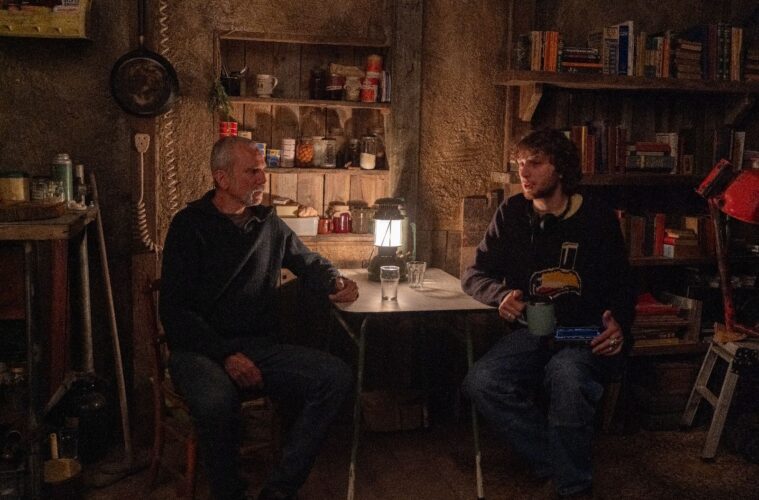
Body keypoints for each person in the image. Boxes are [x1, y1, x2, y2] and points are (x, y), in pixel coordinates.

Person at [160, 136, 359, 500]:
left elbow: (307, 260)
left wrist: (335, 280)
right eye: (252, 171)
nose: (262, 179)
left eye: (262, 171)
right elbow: (175, 312)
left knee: (335, 376)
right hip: (200, 351)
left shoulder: (268, 224)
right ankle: (229, 494)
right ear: (222, 178)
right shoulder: (189, 226)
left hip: (257, 348)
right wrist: (225, 355)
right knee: (217, 401)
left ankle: (279, 490)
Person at [461, 128, 636, 498]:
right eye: (520, 164)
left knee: (567, 376)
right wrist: (501, 295)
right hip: (533, 331)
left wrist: (619, 325)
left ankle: (573, 487)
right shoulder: (512, 213)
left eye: (535, 163)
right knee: (482, 381)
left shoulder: (597, 217)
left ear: (560, 168)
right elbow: (473, 275)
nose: (524, 173)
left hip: (584, 334)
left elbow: (623, 284)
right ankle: (557, 462)